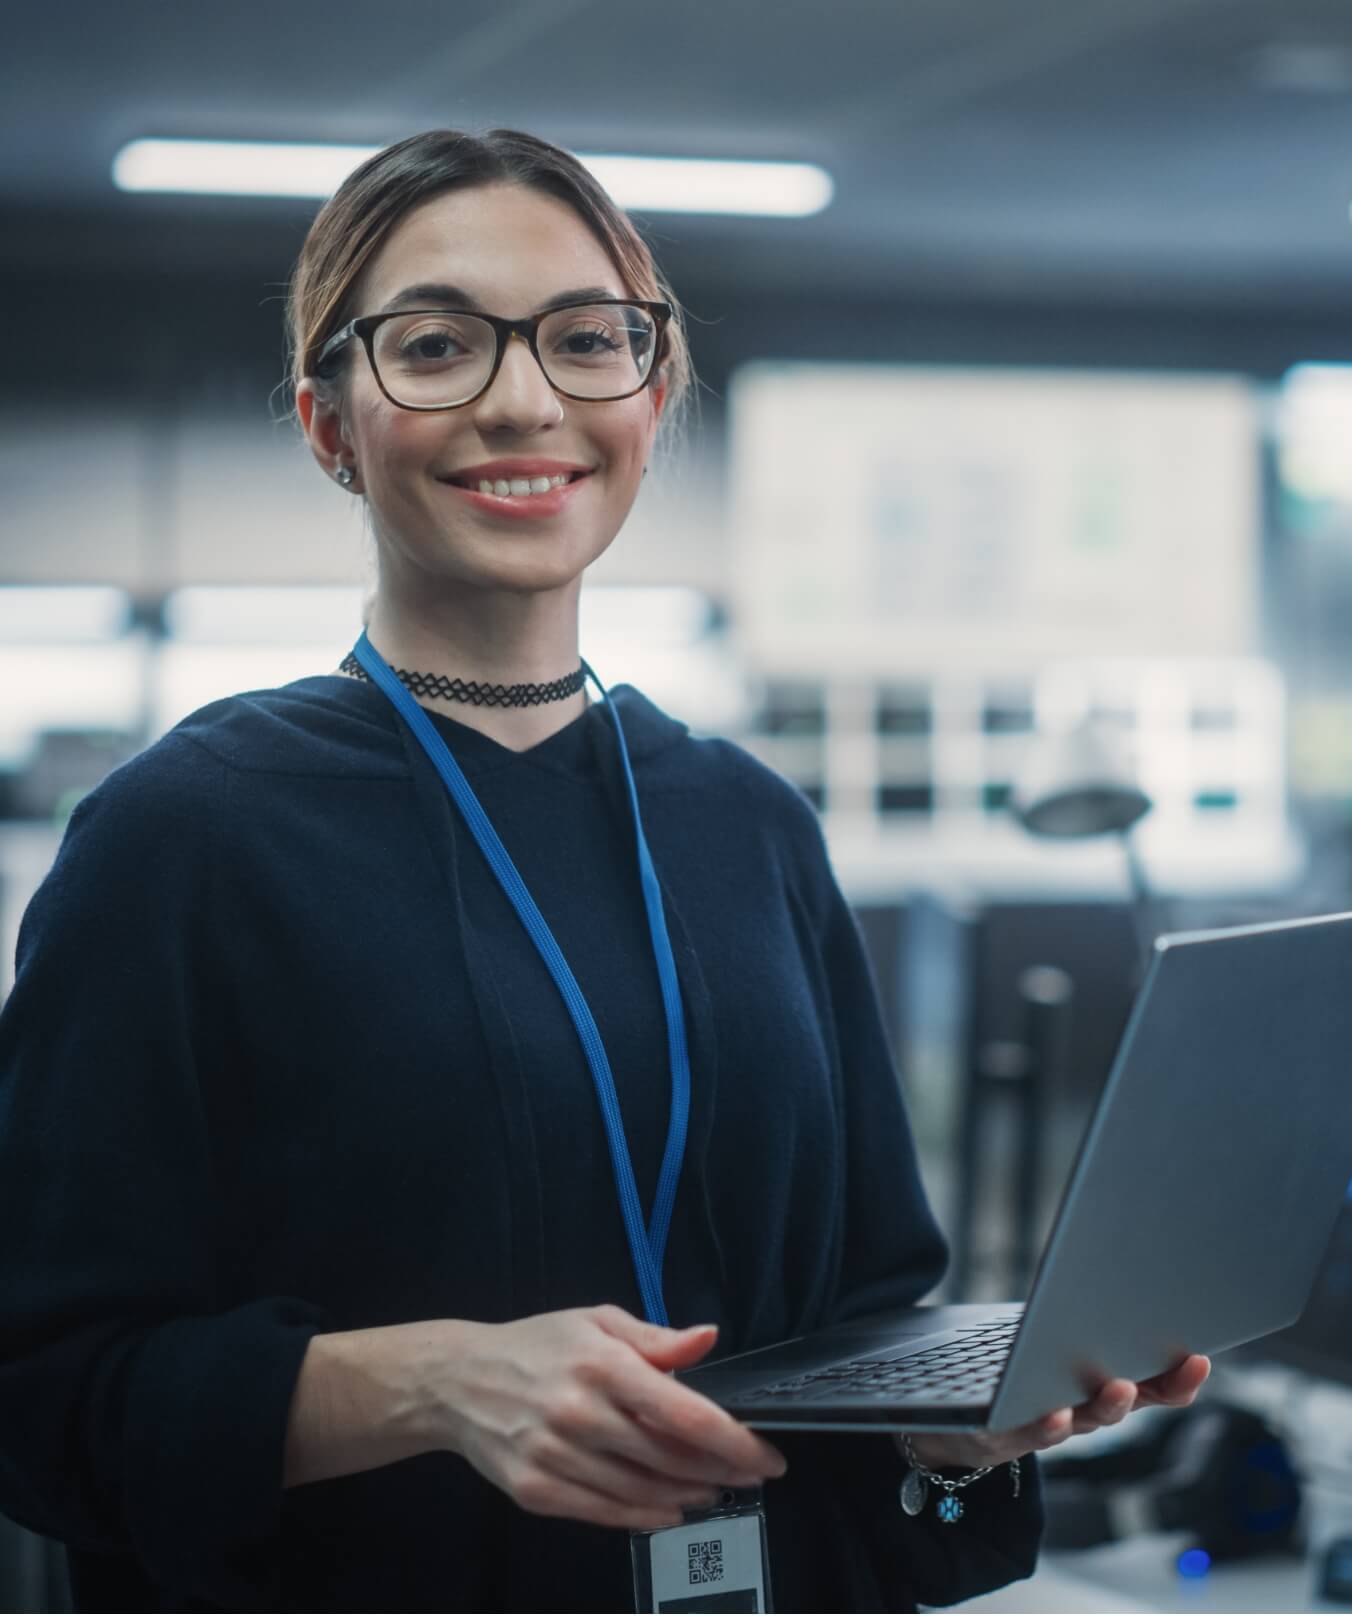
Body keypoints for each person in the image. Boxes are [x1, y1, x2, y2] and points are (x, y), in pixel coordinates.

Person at [0, 128, 1209, 1612]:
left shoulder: (750, 825)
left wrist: (958, 1422)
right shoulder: (183, 836)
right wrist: (433, 1382)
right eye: (436, 345)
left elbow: (863, 1318)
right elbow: (44, 1396)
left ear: (650, 397)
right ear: (330, 424)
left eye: (587, 342)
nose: (523, 400)